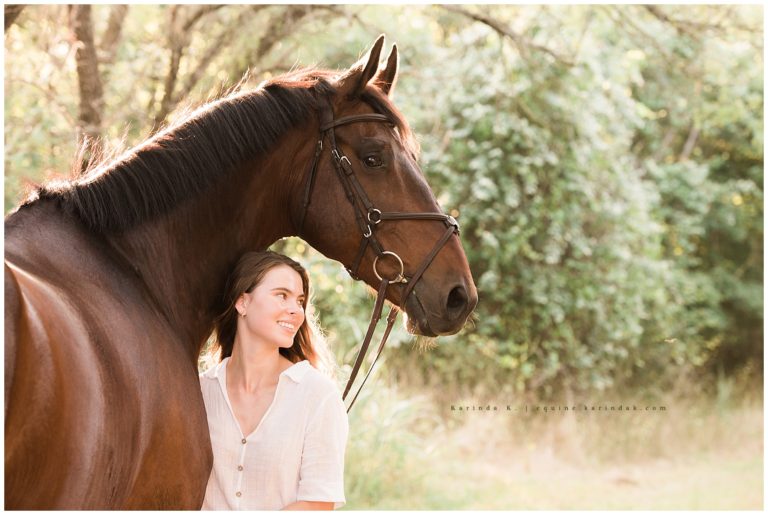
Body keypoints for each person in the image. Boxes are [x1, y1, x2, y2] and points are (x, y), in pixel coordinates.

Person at [199, 251, 348, 510]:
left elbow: (317, 504)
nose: (296, 310)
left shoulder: (317, 395)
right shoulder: (200, 391)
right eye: (282, 295)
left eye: (300, 300)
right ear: (242, 303)